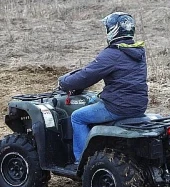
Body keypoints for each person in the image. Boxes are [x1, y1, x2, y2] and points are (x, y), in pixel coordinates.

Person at [58, 12, 148, 168]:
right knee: (93, 99)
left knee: (78, 117)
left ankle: (82, 162)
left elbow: (86, 76)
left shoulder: (112, 54)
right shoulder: (138, 52)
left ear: (113, 30)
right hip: (138, 105)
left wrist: (64, 82)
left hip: (118, 107)